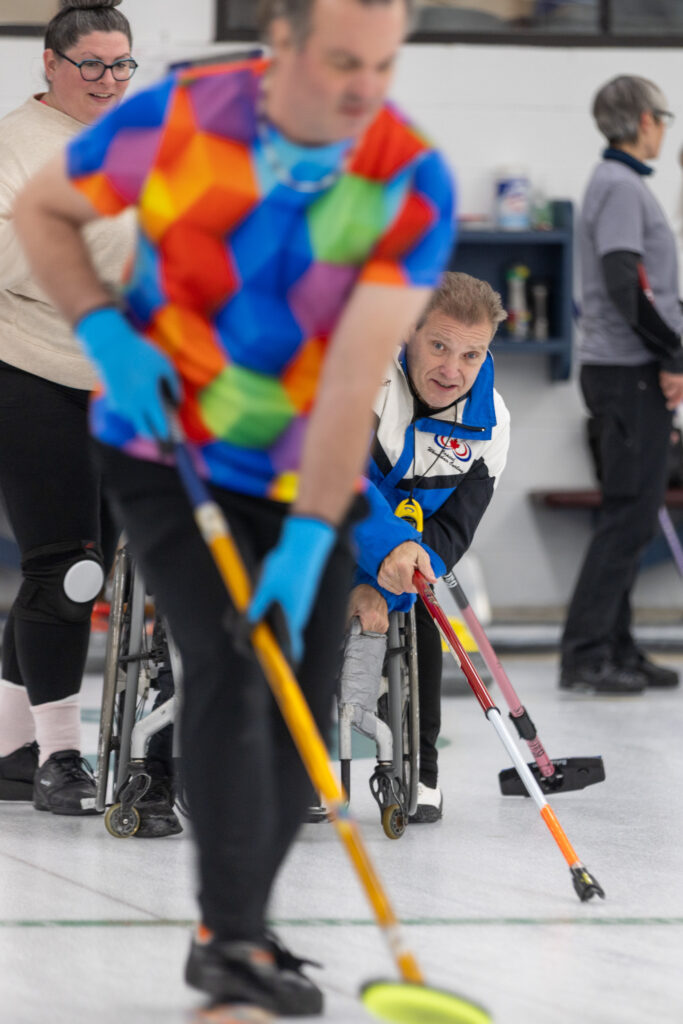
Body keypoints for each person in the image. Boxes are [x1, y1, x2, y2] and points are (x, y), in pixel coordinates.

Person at [15, 0, 455, 1016]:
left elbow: (352, 383)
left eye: (384, 66)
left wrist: (309, 545)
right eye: (343, 60)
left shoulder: (406, 178)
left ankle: (237, 932)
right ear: (283, 45)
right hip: (166, 446)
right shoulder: (180, 117)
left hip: (307, 457)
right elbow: (45, 214)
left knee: (292, 684)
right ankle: (230, 948)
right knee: (223, 653)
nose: (363, 89)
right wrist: (108, 334)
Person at [0, 0, 180, 832]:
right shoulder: (14, 145)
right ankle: (60, 758)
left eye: (122, 65)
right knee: (67, 568)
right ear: (49, 64)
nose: (109, 82)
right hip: (31, 366)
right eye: (92, 66)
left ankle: (10, 749)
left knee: (85, 568)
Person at [341, 271, 509, 822]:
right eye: (439, 345)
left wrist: (386, 588)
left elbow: (454, 531)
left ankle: (419, 766)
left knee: (424, 607)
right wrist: (371, 567)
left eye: (471, 355)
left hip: (400, 567)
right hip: (322, 529)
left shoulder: (493, 422)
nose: (452, 370)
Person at [560, 75, 683, 694]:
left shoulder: (621, 184)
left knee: (635, 513)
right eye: (663, 117)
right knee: (628, 519)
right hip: (627, 373)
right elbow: (621, 280)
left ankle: (618, 646)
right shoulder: (621, 185)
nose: (665, 128)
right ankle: (584, 654)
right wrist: (673, 351)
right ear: (641, 120)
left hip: (629, 371)